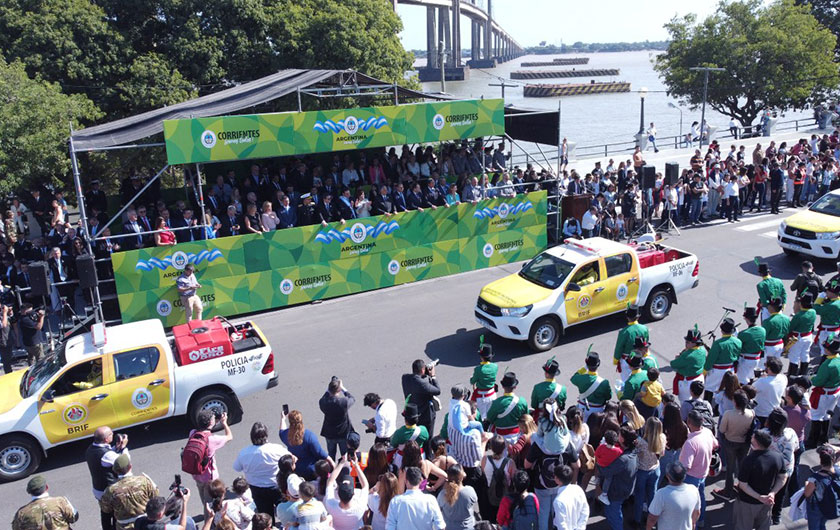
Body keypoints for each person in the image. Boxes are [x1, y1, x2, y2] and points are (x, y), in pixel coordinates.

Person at [733, 430, 787, 530]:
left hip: (747, 503)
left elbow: (743, 484)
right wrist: (772, 493)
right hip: (767, 502)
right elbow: (783, 477)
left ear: (756, 443)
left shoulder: (749, 460)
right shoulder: (778, 457)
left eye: (752, 437)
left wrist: (759, 497)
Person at [232, 422, 289, 518]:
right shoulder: (276, 449)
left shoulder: (244, 453)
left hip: (257, 490)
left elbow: (236, 467)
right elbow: (291, 459)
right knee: (285, 515)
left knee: (266, 517)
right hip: (277, 486)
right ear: (266, 436)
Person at [678, 410, 718, 528]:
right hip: (703, 473)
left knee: (688, 502)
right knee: (700, 497)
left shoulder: (690, 443)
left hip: (691, 477)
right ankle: (701, 521)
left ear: (689, 422)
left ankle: (690, 524)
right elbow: (716, 445)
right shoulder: (707, 432)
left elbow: (685, 466)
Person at [100, 454, 160, 530]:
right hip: (145, 524)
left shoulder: (110, 491)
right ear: (130, 466)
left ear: (115, 471)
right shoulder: (144, 481)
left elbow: (105, 512)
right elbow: (156, 498)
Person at [87, 426, 130, 528]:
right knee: (116, 513)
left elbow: (109, 454)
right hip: (109, 490)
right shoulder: (107, 455)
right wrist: (123, 447)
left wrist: (116, 447)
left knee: (105, 513)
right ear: (106, 439)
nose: (113, 435)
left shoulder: (90, 449)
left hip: (98, 489)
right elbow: (124, 462)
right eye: (111, 434)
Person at [187, 410, 232, 506]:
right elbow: (229, 436)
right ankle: (211, 517)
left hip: (196, 474)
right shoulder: (212, 439)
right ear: (211, 422)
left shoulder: (192, 433)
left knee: (203, 498)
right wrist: (224, 423)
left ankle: (207, 512)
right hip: (210, 477)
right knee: (211, 503)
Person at [717, 390, 755, 497]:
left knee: (731, 468)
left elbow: (722, 429)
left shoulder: (728, 414)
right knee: (742, 466)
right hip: (745, 443)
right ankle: (743, 488)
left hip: (730, 442)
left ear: (735, 402)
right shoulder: (751, 413)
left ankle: (728, 491)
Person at [600, 427, 639, 530]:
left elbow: (606, 471)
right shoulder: (633, 452)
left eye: (620, 434)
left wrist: (597, 461)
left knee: (614, 513)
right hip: (626, 488)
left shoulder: (623, 460)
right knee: (611, 511)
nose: (618, 435)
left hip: (617, 492)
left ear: (622, 440)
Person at [12, 475, 79, 530]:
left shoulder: (21, 512)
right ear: (46, 487)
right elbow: (73, 518)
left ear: (30, 493)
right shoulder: (60, 501)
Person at [646, 462, 701, 530]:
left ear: (667, 476)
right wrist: (693, 524)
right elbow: (697, 513)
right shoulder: (694, 490)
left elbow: (652, 518)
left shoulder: (662, 494)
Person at [808, 334, 840, 447]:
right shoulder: (838, 360)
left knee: (816, 416)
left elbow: (818, 381)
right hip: (835, 392)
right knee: (827, 415)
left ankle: (813, 440)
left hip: (824, 394)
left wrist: (811, 378)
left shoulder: (827, 365)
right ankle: (824, 438)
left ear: (829, 350)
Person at [279, 410, 328, 480]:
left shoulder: (286, 435)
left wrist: (283, 419)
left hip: (296, 469)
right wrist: (332, 462)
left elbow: (281, 431)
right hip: (311, 470)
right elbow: (319, 453)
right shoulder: (309, 436)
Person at [324, 458, 369, 530]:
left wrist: (341, 463)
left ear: (338, 494)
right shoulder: (360, 506)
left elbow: (330, 482)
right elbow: (365, 485)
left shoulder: (330, 505)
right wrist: (356, 466)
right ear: (353, 493)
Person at [401, 359, 441, 436]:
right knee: (427, 437)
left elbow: (417, 380)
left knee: (415, 436)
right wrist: (433, 376)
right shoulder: (422, 384)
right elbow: (437, 391)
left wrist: (424, 374)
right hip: (425, 416)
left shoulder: (405, 378)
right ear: (423, 370)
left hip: (412, 414)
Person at [803, 444, 839, 530]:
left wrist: (806, 483)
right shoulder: (838, 470)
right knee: (822, 524)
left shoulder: (814, 478)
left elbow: (807, 494)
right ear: (833, 459)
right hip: (831, 504)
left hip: (817, 507)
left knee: (815, 527)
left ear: (820, 461)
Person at [319, 376, 355, 460]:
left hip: (329, 434)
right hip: (343, 433)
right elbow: (352, 398)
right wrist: (343, 388)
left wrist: (329, 389)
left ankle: (332, 470)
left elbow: (323, 397)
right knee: (344, 455)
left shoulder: (323, 402)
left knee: (331, 455)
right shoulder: (343, 402)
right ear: (338, 390)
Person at [486, 372, 529, 444]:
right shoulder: (522, 401)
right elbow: (526, 418)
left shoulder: (496, 403)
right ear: (515, 387)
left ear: (502, 386)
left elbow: (490, 419)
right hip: (517, 435)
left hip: (500, 438)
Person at [704, 317, 742, 398]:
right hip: (730, 370)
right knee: (725, 390)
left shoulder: (718, 343)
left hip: (717, 371)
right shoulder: (738, 342)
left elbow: (710, 360)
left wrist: (705, 371)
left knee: (709, 389)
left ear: (722, 330)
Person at [570, 350, 612, 420]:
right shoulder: (604, 382)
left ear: (587, 364)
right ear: (598, 364)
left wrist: (584, 368)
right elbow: (608, 397)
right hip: (598, 410)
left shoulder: (580, 378)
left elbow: (573, 378)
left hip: (582, 408)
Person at [670, 327, 707, 403]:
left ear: (694, 343)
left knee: (685, 402)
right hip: (700, 378)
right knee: (697, 400)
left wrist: (678, 358)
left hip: (687, 383)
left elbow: (673, 364)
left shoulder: (687, 355)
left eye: (688, 342)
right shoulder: (702, 349)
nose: (685, 343)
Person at [614, 305, 649, 382]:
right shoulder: (644, 328)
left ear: (627, 317)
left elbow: (619, 348)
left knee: (626, 381)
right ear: (638, 317)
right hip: (640, 359)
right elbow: (646, 343)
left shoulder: (624, 332)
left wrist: (616, 360)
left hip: (627, 361)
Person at [437, 464, 478, 530]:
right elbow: (474, 501)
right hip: (467, 527)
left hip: (449, 527)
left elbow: (438, 509)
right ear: (462, 477)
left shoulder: (442, 494)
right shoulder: (469, 491)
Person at [390, 403, 430, 468]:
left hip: (402, 458)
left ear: (405, 420)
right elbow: (426, 439)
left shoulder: (399, 433)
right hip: (419, 457)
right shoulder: (423, 430)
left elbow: (394, 444)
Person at [552, 464, 588, 530]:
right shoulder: (578, 489)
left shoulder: (558, 501)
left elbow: (561, 524)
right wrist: (581, 527)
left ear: (557, 479)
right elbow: (585, 510)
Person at [788, 292, 817, 377]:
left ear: (801, 303)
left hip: (799, 337)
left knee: (794, 356)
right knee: (805, 354)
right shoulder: (813, 312)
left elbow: (791, 327)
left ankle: (792, 375)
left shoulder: (798, 315)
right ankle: (803, 374)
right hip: (808, 336)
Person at [753, 357, 787, 425]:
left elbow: (751, 389)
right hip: (774, 411)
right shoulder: (783, 378)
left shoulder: (763, 381)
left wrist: (760, 378)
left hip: (761, 413)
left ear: (769, 368)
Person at [530, 356, 566, 421]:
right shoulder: (562, 389)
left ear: (546, 374)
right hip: (556, 417)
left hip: (541, 417)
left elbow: (534, 405)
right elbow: (562, 407)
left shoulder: (537, 387)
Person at [737, 306, 766, 383]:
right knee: (750, 377)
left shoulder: (743, 333)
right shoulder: (762, 330)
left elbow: (738, 346)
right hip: (756, 359)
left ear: (746, 319)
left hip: (746, 359)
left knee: (742, 380)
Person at [471, 342, 498, 419]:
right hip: (492, 394)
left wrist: (472, 379)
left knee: (482, 418)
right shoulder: (495, 366)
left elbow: (472, 381)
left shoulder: (478, 369)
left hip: (481, 397)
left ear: (481, 357)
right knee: (492, 417)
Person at [761, 297, 790, 370]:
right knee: (776, 365)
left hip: (769, 346)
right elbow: (787, 332)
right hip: (780, 344)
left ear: (771, 307)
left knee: (767, 365)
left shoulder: (768, 321)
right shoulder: (786, 318)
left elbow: (763, 336)